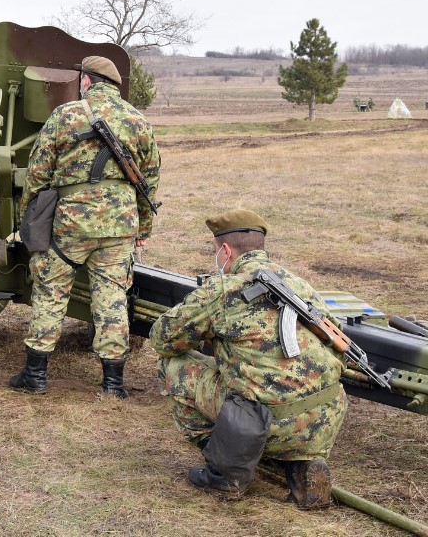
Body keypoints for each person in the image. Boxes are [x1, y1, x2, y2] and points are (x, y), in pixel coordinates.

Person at [149, 209, 347, 509]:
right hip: (325, 415)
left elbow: (163, 339)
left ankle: (225, 470)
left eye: (216, 251)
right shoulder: (298, 283)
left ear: (225, 251)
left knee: (173, 367)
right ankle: (303, 467)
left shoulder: (224, 290)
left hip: (265, 423)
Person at [10, 56, 160, 397]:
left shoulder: (65, 115)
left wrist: (30, 216)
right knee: (111, 299)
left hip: (70, 224)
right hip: (120, 225)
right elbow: (149, 182)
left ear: (86, 82)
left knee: (50, 293)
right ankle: (113, 384)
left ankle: (35, 376)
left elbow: (37, 173)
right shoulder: (138, 120)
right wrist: (143, 230)